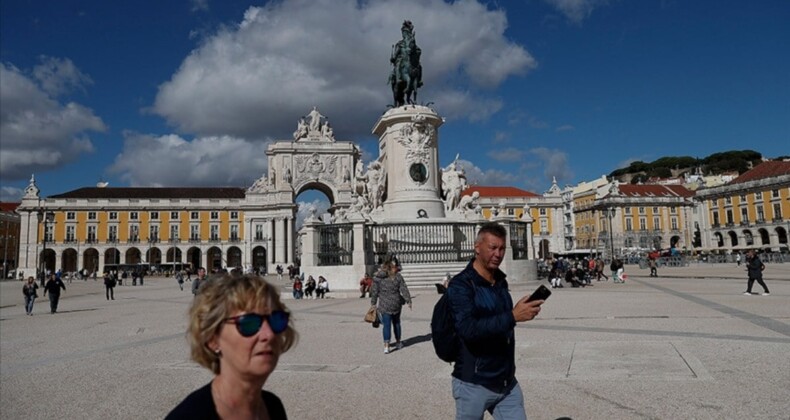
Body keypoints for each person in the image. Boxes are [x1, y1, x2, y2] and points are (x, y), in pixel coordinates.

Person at [446, 222, 544, 419]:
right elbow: (468, 329)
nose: (498, 254)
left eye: (501, 248)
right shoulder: (460, 285)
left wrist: (517, 311)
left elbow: (500, 321)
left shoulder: (500, 281)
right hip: (473, 383)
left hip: (506, 382)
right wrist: (513, 316)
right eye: (492, 248)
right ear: (477, 247)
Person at [166, 273, 296, 419]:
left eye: (276, 320)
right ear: (212, 338)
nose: (269, 334)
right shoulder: (189, 417)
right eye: (248, 323)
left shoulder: (273, 407)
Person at [370, 258, 411, 354]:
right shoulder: (397, 276)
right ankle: (398, 342)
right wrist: (408, 300)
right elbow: (404, 288)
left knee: (386, 325)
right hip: (396, 303)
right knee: (396, 323)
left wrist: (373, 303)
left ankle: (386, 346)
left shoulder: (377, 278)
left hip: (384, 305)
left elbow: (374, 292)